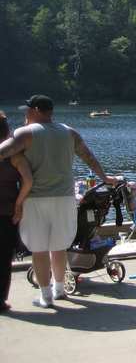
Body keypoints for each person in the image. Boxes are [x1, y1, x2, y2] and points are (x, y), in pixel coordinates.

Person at [0, 95, 116, 308]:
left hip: (36, 199)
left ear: (35, 110)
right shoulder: (69, 132)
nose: (25, 114)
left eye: (27, 110)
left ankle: (46, 296)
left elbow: (3, 152)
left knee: (39, 249)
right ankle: (60, 290)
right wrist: (105, 178)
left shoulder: (24, 133)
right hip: (64, 198)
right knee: (59, 247)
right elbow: (88, 157)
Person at [0, 112, 33, 313]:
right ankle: (0, 300)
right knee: (4, 258)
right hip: (7, 212)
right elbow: (28, 181)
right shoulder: (15, 155)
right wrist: (19, 203)